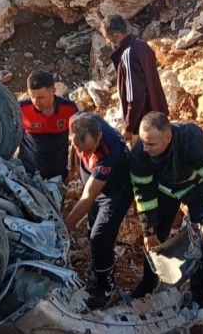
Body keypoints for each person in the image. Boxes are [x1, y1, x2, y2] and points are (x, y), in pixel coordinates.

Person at [128, 111, 203, 308]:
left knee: (200, 239)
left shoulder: (191, 139)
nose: (145, 148)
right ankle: (149, 283)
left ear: (168, 137)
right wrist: (149, 230)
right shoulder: (140, 153)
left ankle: (198, 296)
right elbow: (143, 193)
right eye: (143, 141)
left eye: (151, 144)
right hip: (164, 189)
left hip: (195, 187)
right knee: (155, 238)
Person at [63, 112, 133, 310]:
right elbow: (75, 148)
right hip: (95, 186)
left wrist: (64, 228)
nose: (85, 155)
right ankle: (99, 276)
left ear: (99, 136)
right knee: (92, 232)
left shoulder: (111, 149)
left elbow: (88, 197)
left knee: (100, 236)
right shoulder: (77, 121)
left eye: (89, 150)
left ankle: (106, 288)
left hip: (115, 192)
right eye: (81, 150)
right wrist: (73, 170)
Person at [99, 14, 169, 142]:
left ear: (116, 36)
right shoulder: (143, 46)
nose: (107, 42)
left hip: (144, 126)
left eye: (107, 38)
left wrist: (129, 126)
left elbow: (135, 95)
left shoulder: (128, 54)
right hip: (159, 119)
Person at [18, 71, 79, 181]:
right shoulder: (21, 108)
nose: (36, 102)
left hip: (58, 175)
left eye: (41, 97)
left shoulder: (69, 109)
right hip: (28, 176)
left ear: (53, 91)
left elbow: (78, 140)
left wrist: (73, 169)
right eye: (32, 97)